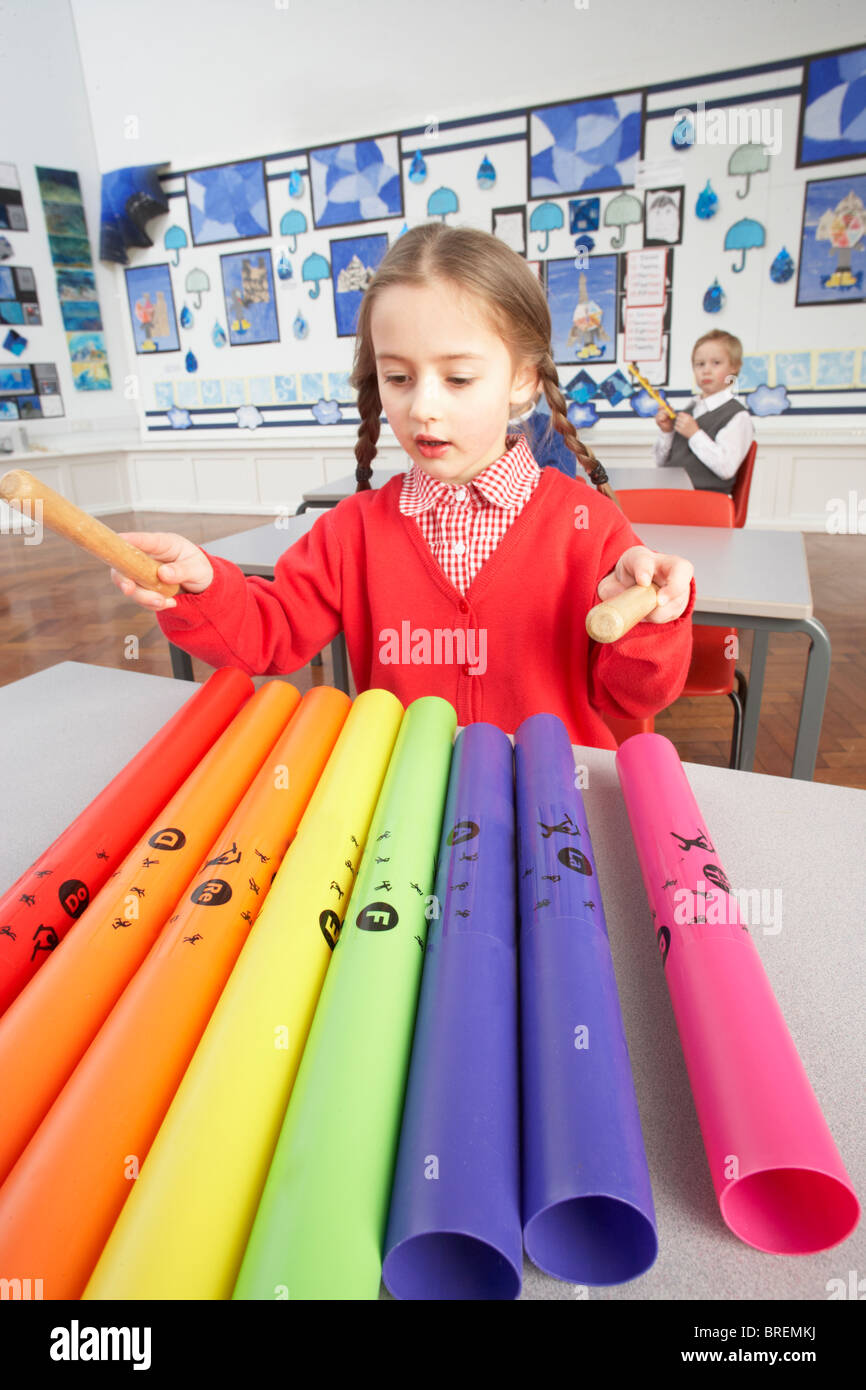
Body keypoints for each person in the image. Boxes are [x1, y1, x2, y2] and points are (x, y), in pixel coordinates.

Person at [110, 223, 696, 750]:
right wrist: (204, 585)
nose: (423, 407)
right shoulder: (353, 531)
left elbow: (638, 697)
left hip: (549, 811)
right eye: (398, 377)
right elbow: (269, 634)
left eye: (458, 377)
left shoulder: (587, 525)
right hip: (410, 812)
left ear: (521, 380)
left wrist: (650, 619)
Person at [653, 330, 753, 493]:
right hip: (672, 493)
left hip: (706, 500)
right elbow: (661, 463)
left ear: (734, 367)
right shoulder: (689, 411)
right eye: (700, 364)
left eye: (716, 363)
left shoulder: (737, 416)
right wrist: (667, 432)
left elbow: (726, 468)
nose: (706, 370)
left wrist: (694, 434)